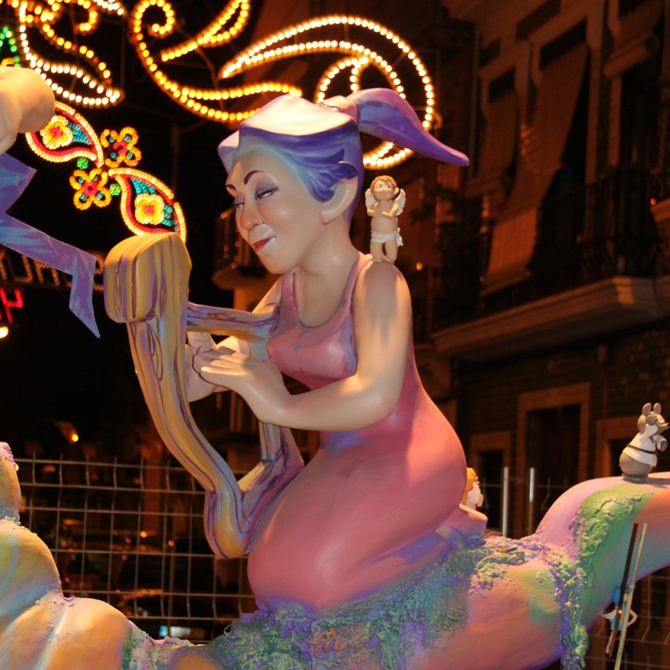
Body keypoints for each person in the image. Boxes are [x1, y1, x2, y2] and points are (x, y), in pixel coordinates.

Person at [185, 89, 470, 611]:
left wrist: (278, 404)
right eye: (238, 200)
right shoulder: (285, 293)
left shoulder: (377, 282)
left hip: (413, 456)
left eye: (264, 191)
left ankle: (445, 559)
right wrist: (180, 346)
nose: (245, 219)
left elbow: (375, 395)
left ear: (335, 195)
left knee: (314, 583)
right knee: (270, 573)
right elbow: (214, 372)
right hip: (340, 459)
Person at [365, 173, 405, 263]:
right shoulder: (375, 205)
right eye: (379, 186)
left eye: (388, 186)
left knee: (391, 246)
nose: (383, 189)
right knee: (375, 246)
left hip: (390, 234)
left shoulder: (391, 203)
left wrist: (391, 214)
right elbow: (368, 210)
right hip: (377, 234)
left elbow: (396, 208)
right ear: (372, 192)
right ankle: (377, 256)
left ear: (395, 191)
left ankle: (391, 258)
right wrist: (372, 212)